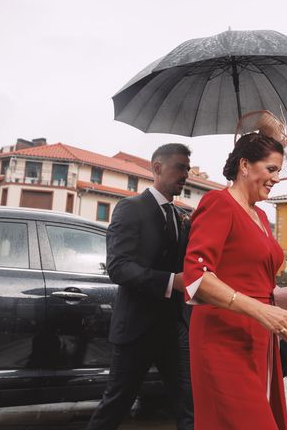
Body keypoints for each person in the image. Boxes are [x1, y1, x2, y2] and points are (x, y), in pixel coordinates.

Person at [182, 131, 287, 430]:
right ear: (244, 165)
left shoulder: (260, 215)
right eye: (271, 169)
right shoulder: (218, 203)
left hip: (259, 335)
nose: (276, 178)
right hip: (222, 336)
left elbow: (262, 283)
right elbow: (197, 277)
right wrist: (261, 311)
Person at [86, 144, 193, 430]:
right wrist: (172, 282)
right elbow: (118, 266)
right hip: (137, 329)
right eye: (180, 167)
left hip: (175, 328)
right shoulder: (130, 209)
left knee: (190, 407)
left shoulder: (182, 217)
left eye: (188, 168)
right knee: (115, 406)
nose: (186, 174)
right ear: (157, 168)